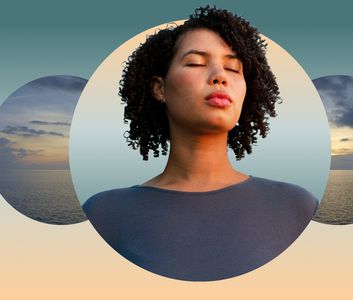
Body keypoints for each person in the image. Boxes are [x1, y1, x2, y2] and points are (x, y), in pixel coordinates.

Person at [83, 6, 318, 281]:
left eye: (233, 68)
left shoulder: (297, 208)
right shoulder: (104, 214)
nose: (220, 76)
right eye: (196, 63)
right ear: (160, 89)